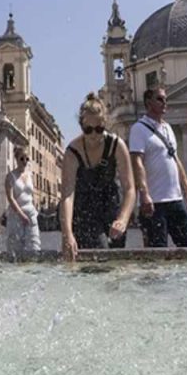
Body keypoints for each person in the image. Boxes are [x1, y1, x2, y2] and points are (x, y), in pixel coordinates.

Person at [60, 93, 135, 260]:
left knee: (116, 261)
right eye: (88, 130)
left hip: (111, 206)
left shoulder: (117, 145)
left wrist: (122, 219)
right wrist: (67, 234)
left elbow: (129, 188)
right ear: (81, 126)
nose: (94, 134)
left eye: (99, 129)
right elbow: (67, 195)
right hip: (84, 209)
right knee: (98, 255)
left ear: (105, 124)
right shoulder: (72, 151)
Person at [129, 88, 187, 247]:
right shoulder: (138, 129)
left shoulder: (168, 128)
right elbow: (137, 162)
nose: (164, 102)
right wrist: (144, 194)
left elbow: (176, 160)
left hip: (176, 200)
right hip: (154, 203)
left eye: (165, 99)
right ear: (148, 103)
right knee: (157, 252)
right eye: (160, 99)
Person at [4, 145, 41, 256]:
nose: (25, 161)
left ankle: (31, 271)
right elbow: (10, 198)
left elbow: (31, 195)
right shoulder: (10, 176)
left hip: (31, 213)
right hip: (16, 215)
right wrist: (21, 214)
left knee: (34, 246)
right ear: (16, 159)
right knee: (16, 248)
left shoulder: (30, 175)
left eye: (27, 158)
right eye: (22, 158)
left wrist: (35, 210)